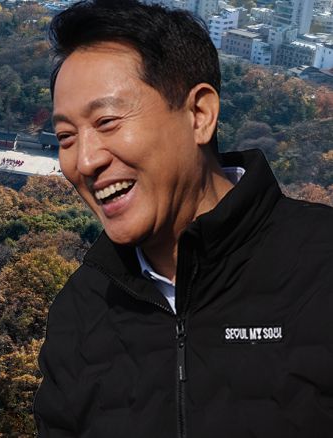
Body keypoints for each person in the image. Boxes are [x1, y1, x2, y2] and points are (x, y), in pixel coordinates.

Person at [34, 0, 333, 437]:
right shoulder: (79, 311)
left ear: (199, 115)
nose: (85, 160)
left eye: (108, 121)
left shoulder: (321, 268)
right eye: (65, 137)